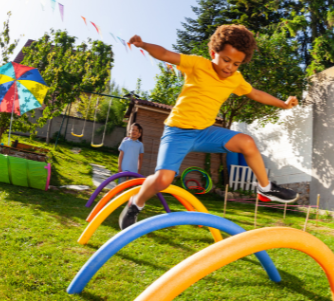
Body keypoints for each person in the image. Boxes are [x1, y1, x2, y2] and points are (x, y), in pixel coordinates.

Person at [120, 25, 299, 229]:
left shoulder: (235, 79)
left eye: (236, 64)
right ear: (214, 53)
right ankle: (136, 203)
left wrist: (283, 104)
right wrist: (143, 45)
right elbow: (165, 54)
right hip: (177, 132)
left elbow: (256, 94)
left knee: (247, 142)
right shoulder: (197, 64)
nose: (229, 67)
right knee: (163, 180)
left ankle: (265, 188)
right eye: (226, 60)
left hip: (205, 132)